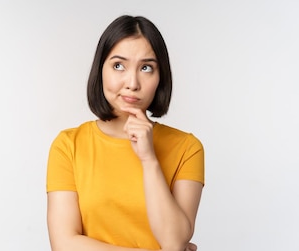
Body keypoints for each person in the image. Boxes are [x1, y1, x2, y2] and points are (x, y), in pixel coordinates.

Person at [46, 15, 204, 251]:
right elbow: (64, 244)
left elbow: (174, 241)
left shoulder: (187, 147)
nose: (132, 82)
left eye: (146, 68)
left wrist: (149, 159)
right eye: (118, 65)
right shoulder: (69, 145)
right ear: (101, 69)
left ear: (160, 77)